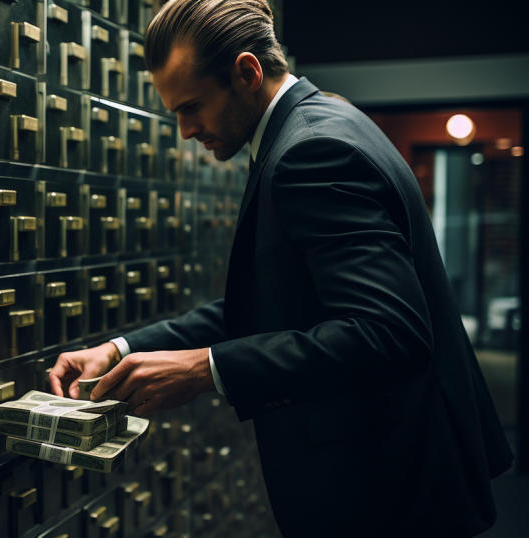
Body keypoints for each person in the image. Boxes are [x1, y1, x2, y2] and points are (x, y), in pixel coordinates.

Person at [47, 0, 513, 535]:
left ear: (246, 72)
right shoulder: (321, 120)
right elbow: (277, 300)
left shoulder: (310, 151)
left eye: (192, 106)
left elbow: (391, 332)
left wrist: (206, 369)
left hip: (386, 487)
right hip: (392, 470)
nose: (184, 130)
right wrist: (122, 348)